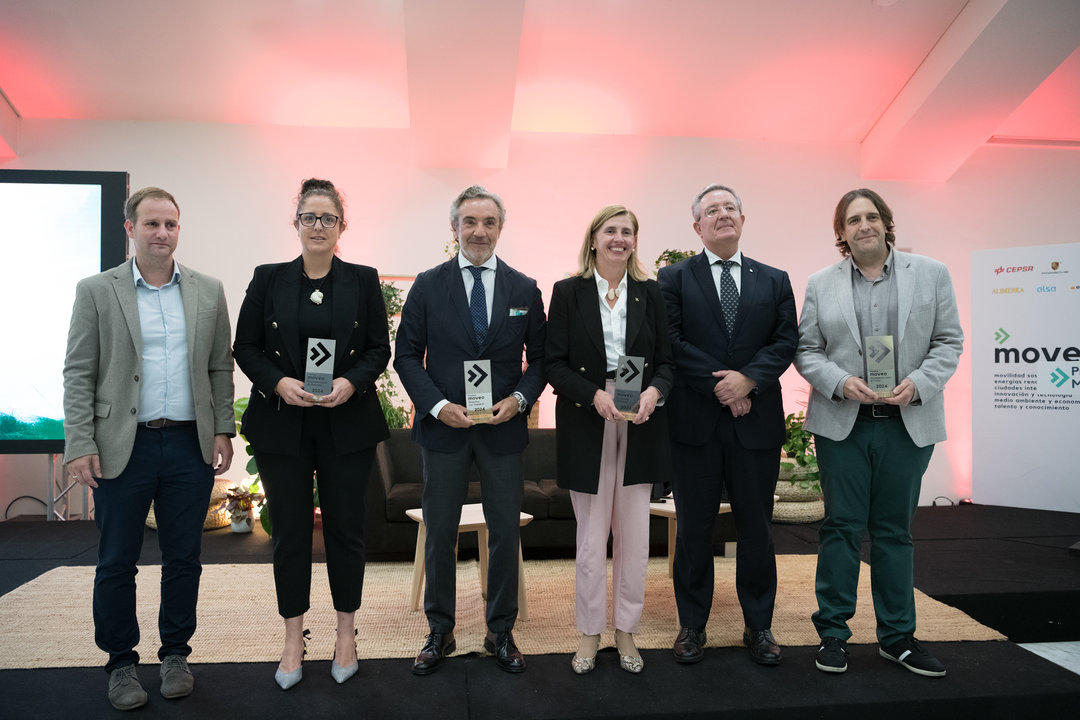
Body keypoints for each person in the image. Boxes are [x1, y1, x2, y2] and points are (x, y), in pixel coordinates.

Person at [63, 187, 235, 711]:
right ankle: (120, 663)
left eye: (172, 225)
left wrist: (223, 428)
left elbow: (219, 367)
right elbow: (78, 371)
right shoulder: (97, 290)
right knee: (117, 560)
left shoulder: (208, 290)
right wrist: (80, 442)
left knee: (184, 558)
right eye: (153, 224)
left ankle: (175, 654)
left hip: (188, 445)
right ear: (130, 229)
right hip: (123, 447)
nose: (163, 233)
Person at [794, 188, 963, 677]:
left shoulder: (931, 273)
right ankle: (832, 634)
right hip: (842, 424)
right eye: (852, 220)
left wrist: (921, 384)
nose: (863, 225)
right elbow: (807, 350)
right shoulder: (821, 283)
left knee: (894, 533)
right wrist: (840, 382)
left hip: (907, 425)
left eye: (871, 216)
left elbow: (948, 341)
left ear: (887, 224)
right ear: (841, 234)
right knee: (841, 529)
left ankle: (897, 637)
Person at [233, 178, 390, 690]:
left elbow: (376, 350)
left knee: (346, 530)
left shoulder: (363, 280)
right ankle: (292, 635)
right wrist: (278, 382)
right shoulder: (268, 278)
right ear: (296, 223)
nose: (318, 226)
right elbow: (247, 346)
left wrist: (350, 381)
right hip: (284, 423)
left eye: (328, 218)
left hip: (347, 423)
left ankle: (346, 633)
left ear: (342, 226)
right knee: (290, 533)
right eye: (309, 217)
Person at [394, 185, 546, 675]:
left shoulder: (525, 289)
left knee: (504, 530)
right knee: (440, 531)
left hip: (502, 429)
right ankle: (440, 630)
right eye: (470, 222)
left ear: (501, 228)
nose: (479, 231)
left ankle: (500, 630)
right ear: (454, 227)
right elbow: (406, 357)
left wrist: (520, 399)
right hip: (444, 430)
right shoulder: (427, 285)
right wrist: (438, 406)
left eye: (489, 222)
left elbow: (540, 360)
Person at [657, 183, 797, 666]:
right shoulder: (672, 278)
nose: (722, 215)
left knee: (756, 530)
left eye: (730, 208)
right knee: (694, 531)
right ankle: (692, 626)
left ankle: (759, 627)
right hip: (694, 425)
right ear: (697, 226)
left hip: (755, 424)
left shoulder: (775, 279)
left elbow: (784, 343)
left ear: (743, 218)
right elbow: (670, 342)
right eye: (711, 210)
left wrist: (749, 381)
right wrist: (723, 385)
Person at [545, 205, 674, 675]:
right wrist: (594, 394)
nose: (618, 238)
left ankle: (626, 631)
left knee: (635, 537)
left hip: (641, 423)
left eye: (627, 231)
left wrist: (656, 392)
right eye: (610, 231)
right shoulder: (567, 292)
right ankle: (588, 632)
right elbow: (553, 363)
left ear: (635, 241)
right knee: (591, 536)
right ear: (594, 239)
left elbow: (667, 362)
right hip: (587, 419)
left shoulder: (651, 293)